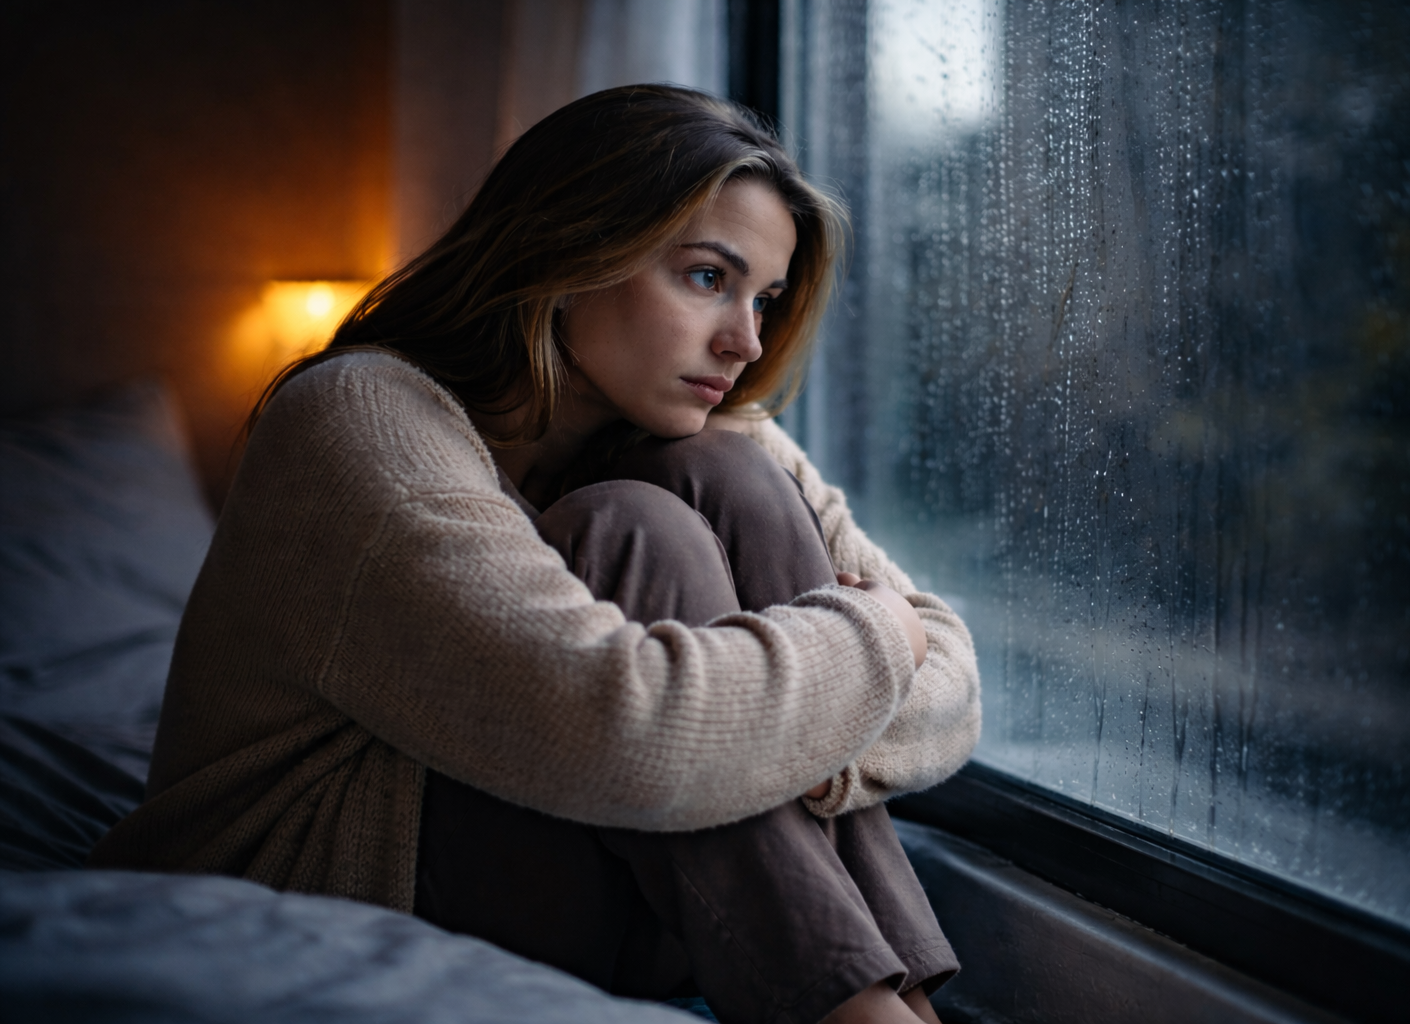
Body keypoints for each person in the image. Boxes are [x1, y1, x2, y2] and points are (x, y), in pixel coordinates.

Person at [91, 85, 980, 1024]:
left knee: (717, 475)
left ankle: (898, 1006)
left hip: (615, 865)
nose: (745, 342)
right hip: (326, 882)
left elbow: (955, 673)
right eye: (705, 278)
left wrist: (795, 737)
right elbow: (629, 729)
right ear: (568, 254)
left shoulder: (709, 429)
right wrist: (870, 643)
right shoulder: (357, 416)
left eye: (763, 298)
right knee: (635, 530)